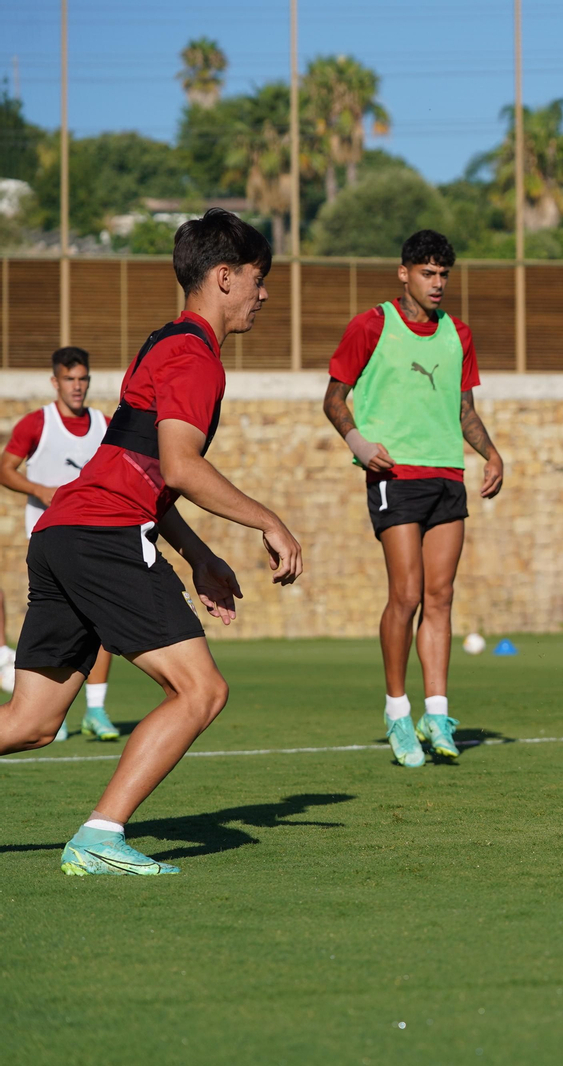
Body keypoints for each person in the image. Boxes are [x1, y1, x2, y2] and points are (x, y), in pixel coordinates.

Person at [0, 208, 303, 875]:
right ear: (225, 278)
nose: (264, 293)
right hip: (104, 535)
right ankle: (100, 837)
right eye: (259, 279)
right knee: (201, 691)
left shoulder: (163, 342)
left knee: (30, 722)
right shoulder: (195, 357)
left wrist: (199, 556)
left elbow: (139, 466)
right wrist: (268, 520)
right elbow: (180, 468)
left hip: (61, 534)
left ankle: (101, 835)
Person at [323, 229, 504, 770]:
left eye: (444, 274)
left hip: (447, 474)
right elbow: (334, 399)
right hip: (394, 477)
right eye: (428, 273)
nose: (438, 283)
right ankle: (398, 712)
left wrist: (492, 456)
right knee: (405, 594)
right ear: (404, 273)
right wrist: (358, 443)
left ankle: (438, 713)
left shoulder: (458, 334)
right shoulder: (370, 325)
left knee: (441, 596)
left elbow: (464, 410)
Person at [1, 346, 119, 741]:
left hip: (94, 541)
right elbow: (5, 469)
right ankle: (46, 708)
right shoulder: (37, 423)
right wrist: (40, 490)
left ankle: (96, 710)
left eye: (83, 379)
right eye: (69, 379)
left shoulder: (105, 425)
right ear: (56, 382)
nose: (77, 386)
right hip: (48, 539)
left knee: (101, 624)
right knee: (61, 625)